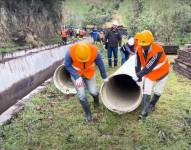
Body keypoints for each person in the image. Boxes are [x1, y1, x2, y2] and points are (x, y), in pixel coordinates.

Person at [64, 42, 107, 122]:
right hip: (76, 74)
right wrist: (76, 77)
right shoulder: (70, 51)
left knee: (94, 92)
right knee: (82, 96)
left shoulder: (94, 50)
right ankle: (88, 114)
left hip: (89, 73)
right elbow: (67, 65)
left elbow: (100, 64)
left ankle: (96, 101)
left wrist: (104, 77)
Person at [132, 30, 170, 118]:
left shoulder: (158, 50)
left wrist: (138, 75)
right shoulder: (139, 49)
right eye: (142, 45)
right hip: (150, 72)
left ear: (151, 42)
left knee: (158, 91)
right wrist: (139, 77)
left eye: (146, 45)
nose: (144, 47)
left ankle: (152, 104)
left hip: (162, 71)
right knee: (147, 89)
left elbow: (150, 66)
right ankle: (144, 111)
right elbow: (137, 64)